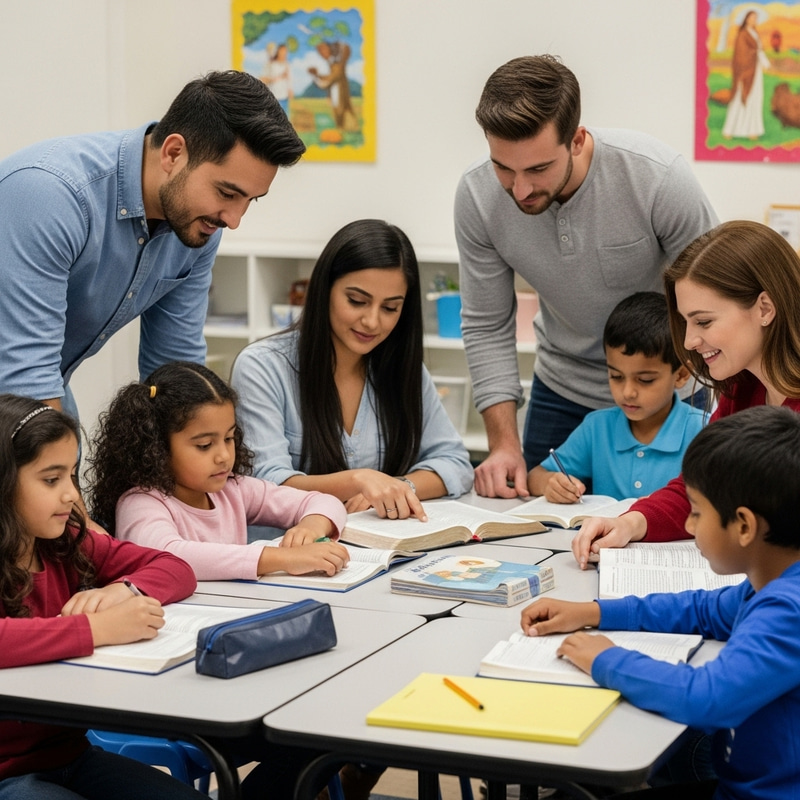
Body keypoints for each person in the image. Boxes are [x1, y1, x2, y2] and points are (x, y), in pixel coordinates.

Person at [455, 54, 718, 499]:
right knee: (541, 525)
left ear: (576, 140)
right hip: (561, 388)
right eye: (504, 167)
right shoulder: (477, 198)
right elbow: (486, 323)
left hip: (669, 387)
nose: (519, 189)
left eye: (538, 169)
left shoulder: (658, 180)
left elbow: (716, 304)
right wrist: (503, 445)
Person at [521, 405, 800, 799]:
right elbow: (702, 610)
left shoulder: (789, 610)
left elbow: (705, 696)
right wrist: (593, 612)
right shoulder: (774, 581)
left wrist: (606, 658)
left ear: (744, 525)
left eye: (697, 513)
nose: (687, 525)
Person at [0, 69, 305, 420]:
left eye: (251, 200)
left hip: (36, 393)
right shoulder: (51, 196)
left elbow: (175, 374)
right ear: (174, 153)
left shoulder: (198, 227)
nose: (233, 220)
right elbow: (25, 383)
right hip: (21, 396)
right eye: (226, 193)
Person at [0, 393, 205, 800]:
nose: (72, 496)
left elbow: (176, 568)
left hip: (72, 758)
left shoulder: (64, 545)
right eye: (51, 479)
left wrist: (123, 589)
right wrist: (94, 629)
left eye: (73, 476)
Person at [572, 220, 800, 568]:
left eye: (704, 322)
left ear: (765, 308)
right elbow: (704, 487)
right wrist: (630, 523)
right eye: (686, 322)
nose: (690, 341)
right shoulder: (742, 389)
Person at [231, 218, 474, 521]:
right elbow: (266, 485)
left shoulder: (403, 368)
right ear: (324, 289)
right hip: (291, 553)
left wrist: (396, 488)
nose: (372, 322)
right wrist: (358, 481)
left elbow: (455, 463)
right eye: (357, 301)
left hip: (376, 551)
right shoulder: (262, 367)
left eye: (390, 308)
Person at [87, 361, 349, 582]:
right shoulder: (140, 502)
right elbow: (170, 554)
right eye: (204, 445)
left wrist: (312, 525)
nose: (224, 456)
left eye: (229, 438)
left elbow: (322, 500)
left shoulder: (232, 489)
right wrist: (283, 558)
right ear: (156, 447)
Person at [528, 292, 705, 502]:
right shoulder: (597, 428)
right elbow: (534, 477)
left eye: (645, 380)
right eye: (616, 376)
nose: (627, 392)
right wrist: (552, 483)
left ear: (682, 375)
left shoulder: (704, 430)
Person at [722, 10, 769, 140]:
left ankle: (752, 130)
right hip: (745, 73)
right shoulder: (742, 35)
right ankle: (729, 130)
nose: (754, 20)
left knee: (755, 99)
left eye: (756, 18)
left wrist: (764, 61)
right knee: (739, 99)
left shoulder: (755, 34)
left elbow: (758, 50)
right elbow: (741, 55)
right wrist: (755, 54)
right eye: (752, 17)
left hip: (756, 72)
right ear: (746, 19)